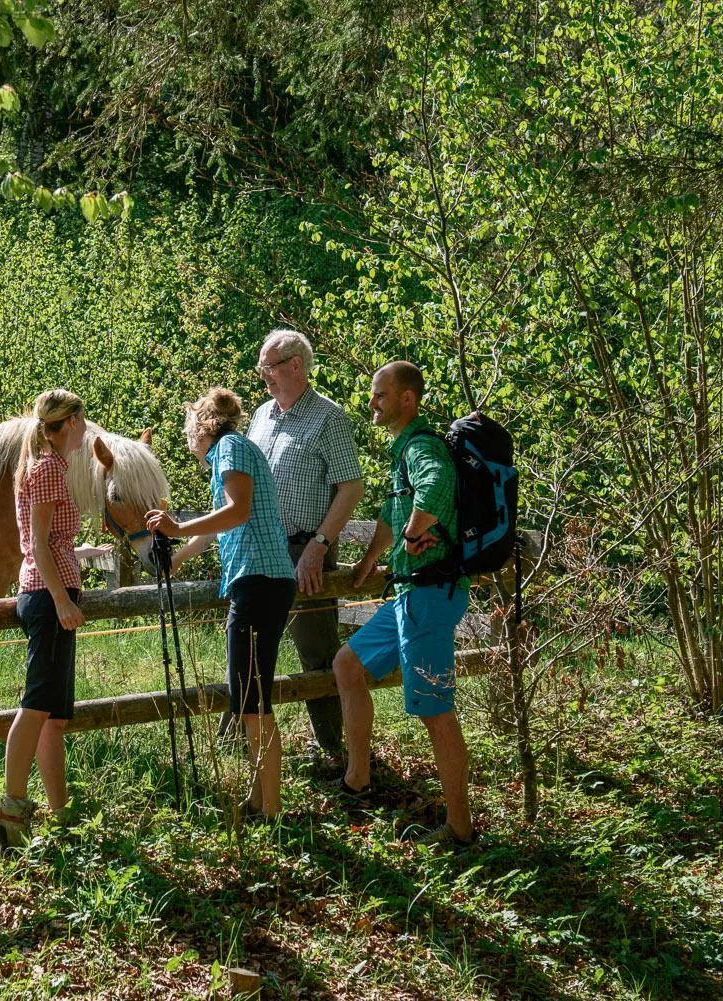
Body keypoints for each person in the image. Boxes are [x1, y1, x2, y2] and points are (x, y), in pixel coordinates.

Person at [332, 361, 476, 847]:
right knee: (348, 664)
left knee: (435, 711)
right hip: (407, 595)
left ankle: (459, 829)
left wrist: (416, 532)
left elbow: (435, 486)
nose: (371, 402)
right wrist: (371, 559)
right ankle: (357, 779)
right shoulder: (403, 450)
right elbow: (392, 516)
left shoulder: (422, 446)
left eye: (380, 394)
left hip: (430, 596)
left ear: (407, 399)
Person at [146, 388, 297, 821]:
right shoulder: (232, 452)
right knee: (249, 696)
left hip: (258, 582)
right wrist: (176, 557)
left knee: (253, 700)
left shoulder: (230, 447)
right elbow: (218, 527)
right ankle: (259, 799)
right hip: (261, 581)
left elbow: (237, 511)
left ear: (203, 427)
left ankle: (270, 810)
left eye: (187, 431)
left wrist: (176, 528)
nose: (187, 441)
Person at [246, 329, 365, 754]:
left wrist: (318, 545)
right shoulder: (261, 415)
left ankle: (332, 747)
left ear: (296, 365)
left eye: (268, 367)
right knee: (249, 645)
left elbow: (351, 487)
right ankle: (238, 743)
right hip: (260, 549)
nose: (263, 375)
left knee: (316, 650)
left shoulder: (328, 418)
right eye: (261, 367)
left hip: (303, 550)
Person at [0, 389, 88, 848]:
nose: (85, 431)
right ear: (70, 422)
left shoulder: (49, 465)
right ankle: (10, 810)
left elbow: (48, 540)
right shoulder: (47, 467)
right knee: (35, 705)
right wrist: (62, 600)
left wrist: (80, 555)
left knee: (53, 717)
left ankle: (61, 813)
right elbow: (39, 544)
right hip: (47, 597)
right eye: (83, 422)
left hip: (51, 591)